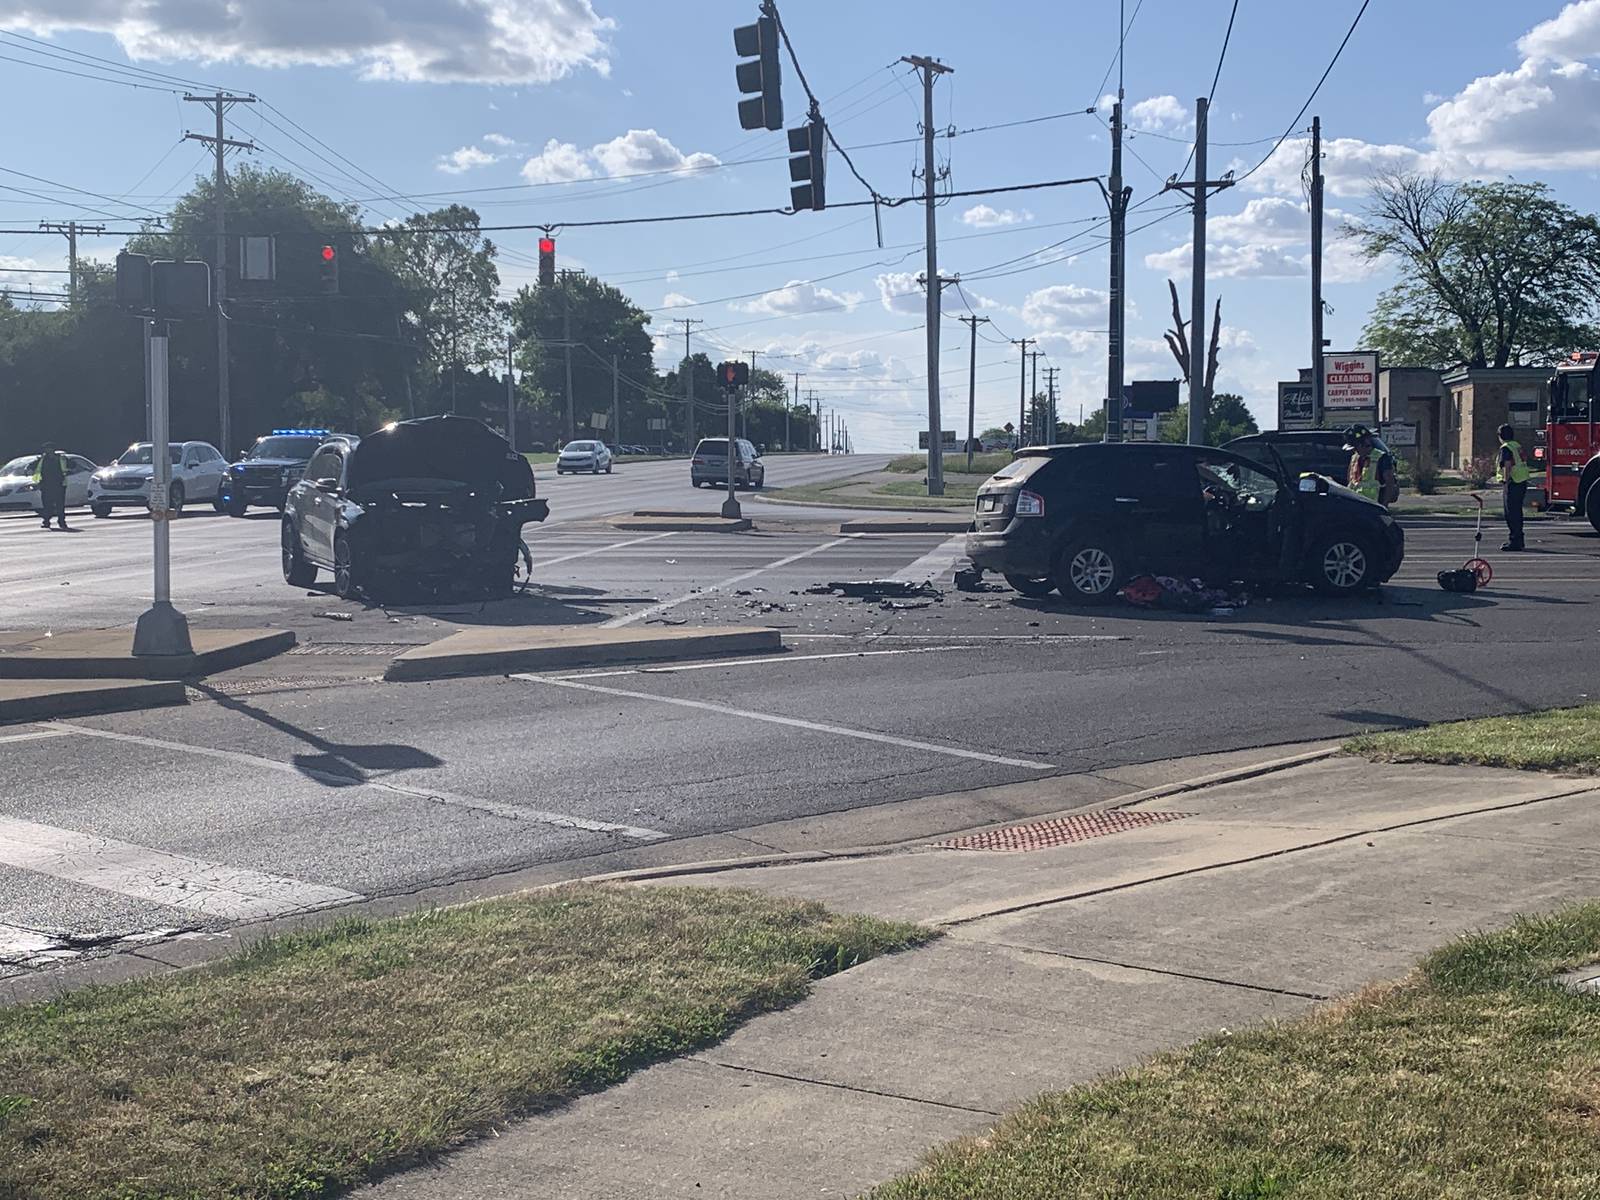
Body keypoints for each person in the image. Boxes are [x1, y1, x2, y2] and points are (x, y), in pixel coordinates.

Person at [1497, 422, 1531, 552]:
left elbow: (1507, 465)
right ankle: (1519, 540)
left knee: (1511, 514)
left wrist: (1505, 482)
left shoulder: (1506, 448)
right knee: (1517, 513)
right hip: (1521, 481)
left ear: (1500, 436)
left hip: (1513, 482)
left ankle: (1515, 541)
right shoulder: (1517, 446)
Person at [1344, 425, 1399, 505]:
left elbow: (1390, 483)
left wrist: (1384, 504)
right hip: (1355, 505)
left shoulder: (1382, 458)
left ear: (1364, 444)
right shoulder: (1354, 458)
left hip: (1374, 506)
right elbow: (1350, 480)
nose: (1355, 451)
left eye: (1356, 448)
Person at [31, 443, 69, 530]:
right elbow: (33, 466)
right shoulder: (42, 459)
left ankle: (62, 522)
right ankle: (46, 521)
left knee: (60, 505)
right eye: (46, 449)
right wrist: (28, 468)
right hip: (46, 485)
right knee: (47, 505)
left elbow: (72, 465)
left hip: (59, 484)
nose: (47, 450)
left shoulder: (60, 458)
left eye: (49, 448)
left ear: (53, 449)